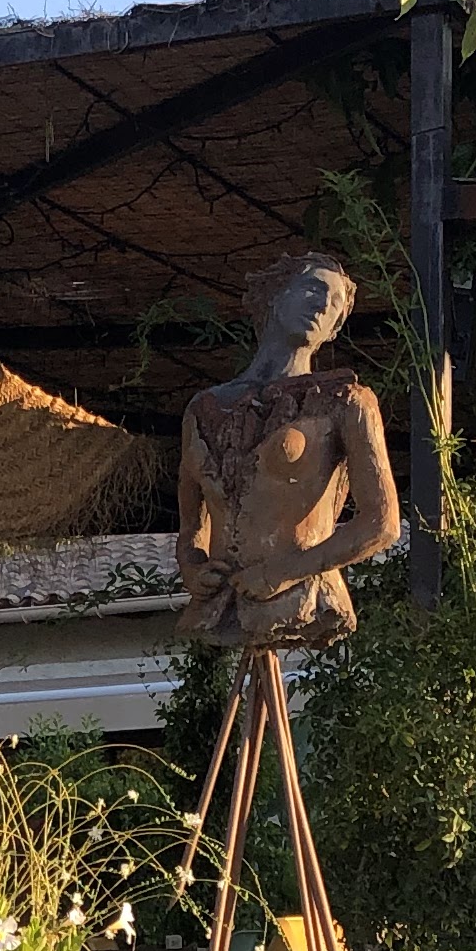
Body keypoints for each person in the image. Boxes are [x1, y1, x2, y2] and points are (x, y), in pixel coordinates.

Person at [174, 248, 402, 650]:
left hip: (301, 597)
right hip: (220, 603)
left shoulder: (344, 401)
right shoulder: (206, 408)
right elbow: (192, 524)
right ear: (276, 295)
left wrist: (284, 572)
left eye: (335, 303)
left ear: (335, 329)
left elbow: (382, 523)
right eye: (312, 288)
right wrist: (194, 570)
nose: (322, 305)